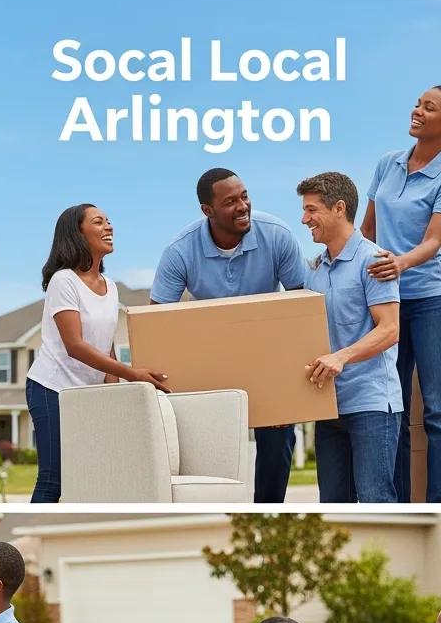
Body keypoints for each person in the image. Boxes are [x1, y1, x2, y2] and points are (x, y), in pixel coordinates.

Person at [150, 168, 309, 503]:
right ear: (207, 210)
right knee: (209, 443)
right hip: (211, 357)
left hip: (269, 353)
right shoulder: (180, 251)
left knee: (279, 436)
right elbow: (156, 324)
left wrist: (289, 386)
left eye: (245, 196)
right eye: (230, 202)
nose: (242, 206)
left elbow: (303, 308)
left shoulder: (277, 235)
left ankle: (268, 511)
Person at [361, 85, 441, 503]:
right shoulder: (388, 163)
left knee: (438, 409)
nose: (417, 110)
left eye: (428, 107)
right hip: (388, 300)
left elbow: (433, 241)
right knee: (392, 405)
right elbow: (367, 230)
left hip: (432, 299)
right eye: (417, 103)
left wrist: (400, 263)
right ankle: (394, 501)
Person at [25, 203, 169, 502]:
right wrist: (133, 374)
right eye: (99, 222)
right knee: (54, 479)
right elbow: (75, 346)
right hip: (52, 390)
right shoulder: (63, 281)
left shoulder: (110, 287)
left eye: (109, 221)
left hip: (87, 394)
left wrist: (113, 397)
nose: (109, 227)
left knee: (93, 475)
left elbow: (107, 348)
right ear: (77, 234)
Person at [298, 171, 402, 502]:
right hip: (329, 407)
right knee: (332, 507)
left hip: (372, 404)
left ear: (339, 208)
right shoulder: (315, 270)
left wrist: (341, 357)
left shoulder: (373, 260)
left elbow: (390, 329)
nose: (304, 219)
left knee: (375, 501)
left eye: (311, 210)